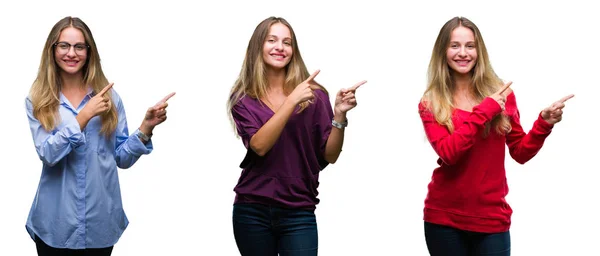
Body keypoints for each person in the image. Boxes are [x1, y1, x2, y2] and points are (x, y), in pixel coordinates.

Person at [418, 16, 573, 256]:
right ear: (443, 51)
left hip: (492, 218)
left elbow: (520, 152)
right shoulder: (431, 102)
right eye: (454, 45)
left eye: (470, 46)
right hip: (444, 219)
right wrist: (485, 111)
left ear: (479, 51)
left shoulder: (502, 94)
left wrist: (544, 123)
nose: (463, 53)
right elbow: (449, 153)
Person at [25, 16, 174, 255]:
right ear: (52, 50)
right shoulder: (39, 99)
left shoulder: (110, 99)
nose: (71, 53)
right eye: (64, 45)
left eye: (79, 46)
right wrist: (83, 117)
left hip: (100, 222)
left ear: (89, 51)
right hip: (55, 224)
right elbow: (48, 154)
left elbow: (121, 159)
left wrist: (146, 128)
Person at [227, 16, 366, 256]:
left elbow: (330, 156)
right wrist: (291, 101)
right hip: (252, 210)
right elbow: (259, 146)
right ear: (258, 47)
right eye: (272, 40)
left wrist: (340, 115)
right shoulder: (244, 99)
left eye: (287, 42)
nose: (280, 47)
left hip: (299, 210)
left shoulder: (315, 96)